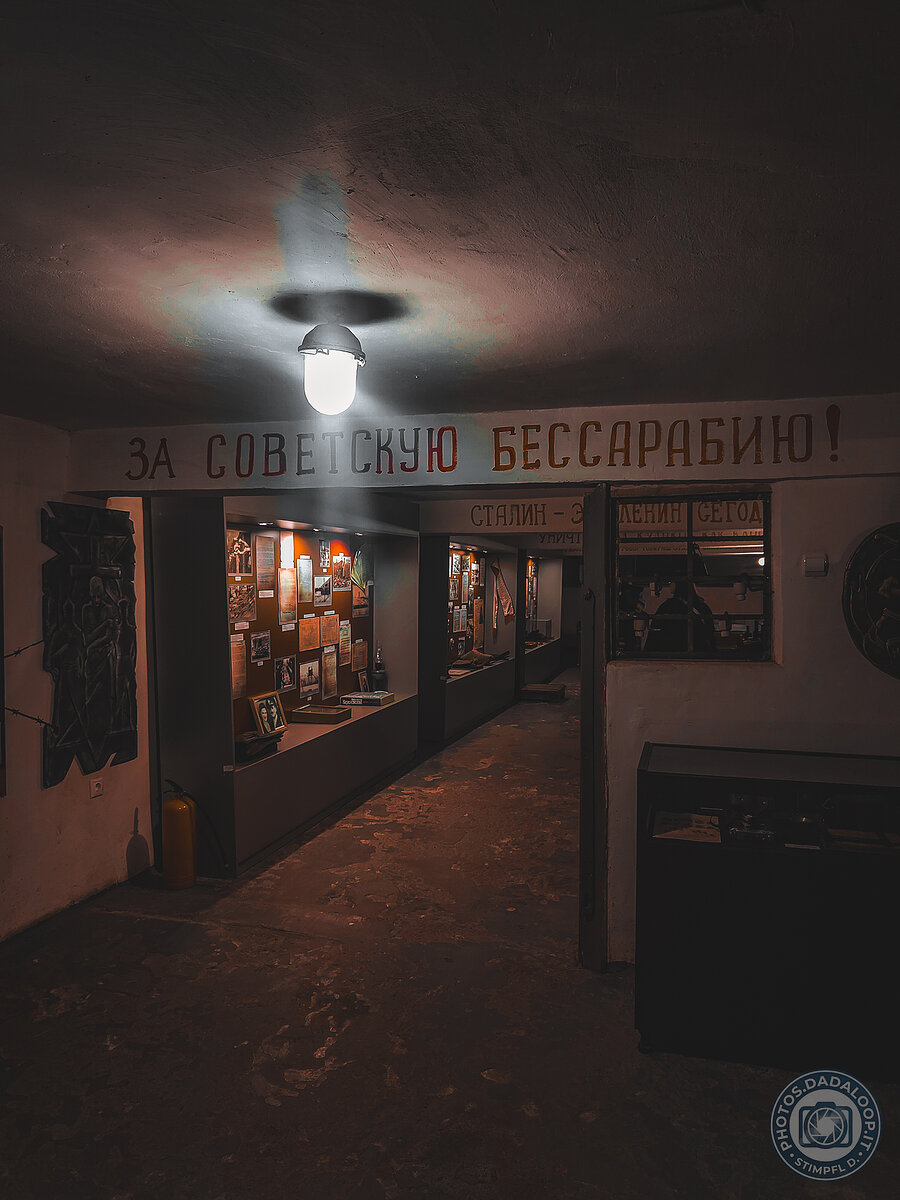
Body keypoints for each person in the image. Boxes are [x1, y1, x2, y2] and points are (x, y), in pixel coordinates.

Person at [645, 579, 716, 655]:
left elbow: (655, 631)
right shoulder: (702, 607)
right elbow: (709, 632)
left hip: (670, 651)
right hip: (698, 651)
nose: (669, 584)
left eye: (671, 581)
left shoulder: (668, 606)